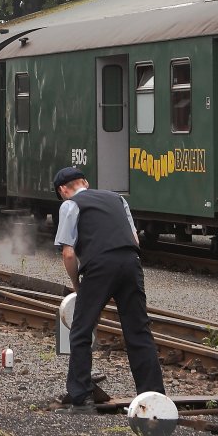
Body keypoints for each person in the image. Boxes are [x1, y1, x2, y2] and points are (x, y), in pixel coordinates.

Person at [53, 166, 166, 412]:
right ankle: (154, 397)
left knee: (81, 329)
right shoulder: (118, 199)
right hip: (131, 262)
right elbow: (135, 239)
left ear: (63, 190)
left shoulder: (70, 205)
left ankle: (81, 398)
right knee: (138, 330)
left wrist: (77, 285)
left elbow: (68, 253)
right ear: (85, 182)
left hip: (99, 266)